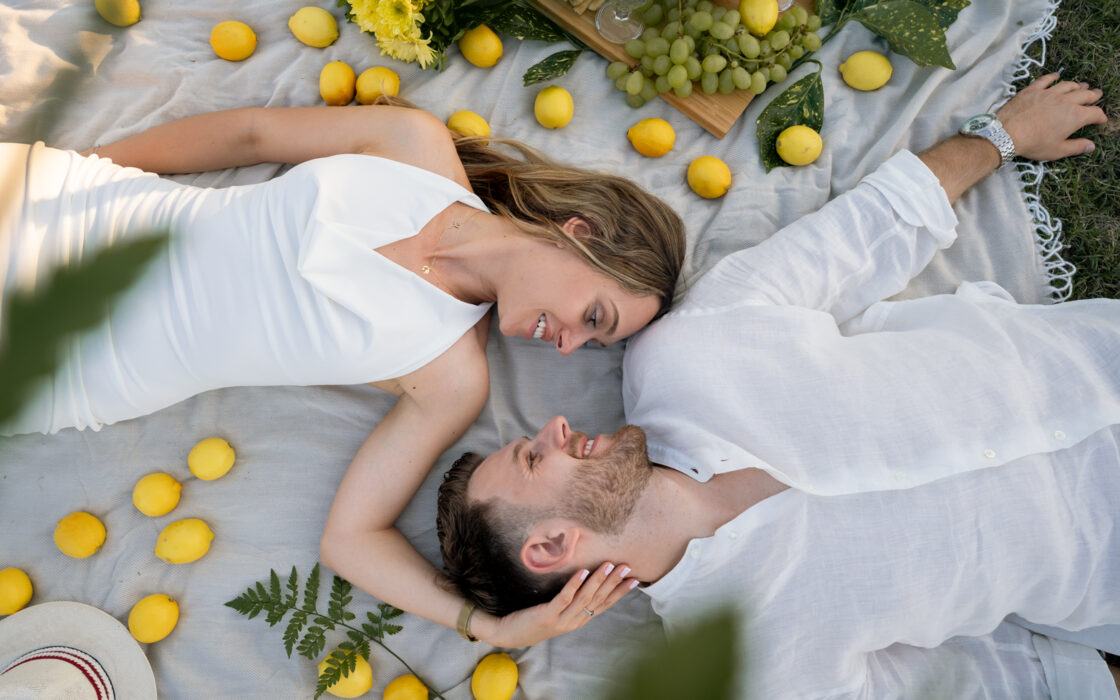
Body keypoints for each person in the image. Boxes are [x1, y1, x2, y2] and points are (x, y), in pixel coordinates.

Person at [435, 74, 1120, 696]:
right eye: (533, 457)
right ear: (552, 548)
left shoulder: (682, 354)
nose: (554, 428)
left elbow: (865, 233)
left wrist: (1002, 135)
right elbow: (981, 685)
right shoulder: (753, 662)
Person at [0, 101, 683, 643]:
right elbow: (251, 135)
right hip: (57, 210)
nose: (566, 346)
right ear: (577, 236)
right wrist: (87, 169)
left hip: (66, 359)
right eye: (593, 318)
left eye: (590, 344)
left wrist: (486, 628)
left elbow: (350, 540)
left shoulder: (450, 378)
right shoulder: (412, 144)